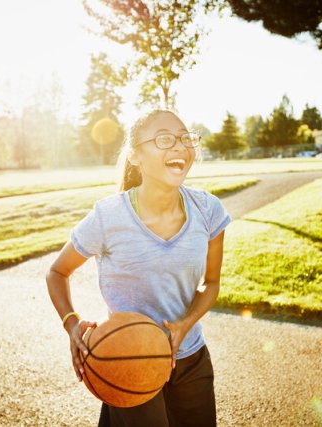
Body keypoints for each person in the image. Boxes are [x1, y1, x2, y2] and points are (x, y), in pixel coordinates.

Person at [46, 109, 231, 427]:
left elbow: (210, 284)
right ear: (135, 156)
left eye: (186, 138)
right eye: (164, 139)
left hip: (191, 361)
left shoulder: (209, 210)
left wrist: (185, 324)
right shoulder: (108, 217)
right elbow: (57, 272)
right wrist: (71, 324)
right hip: (127, 361)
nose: (180, 147)